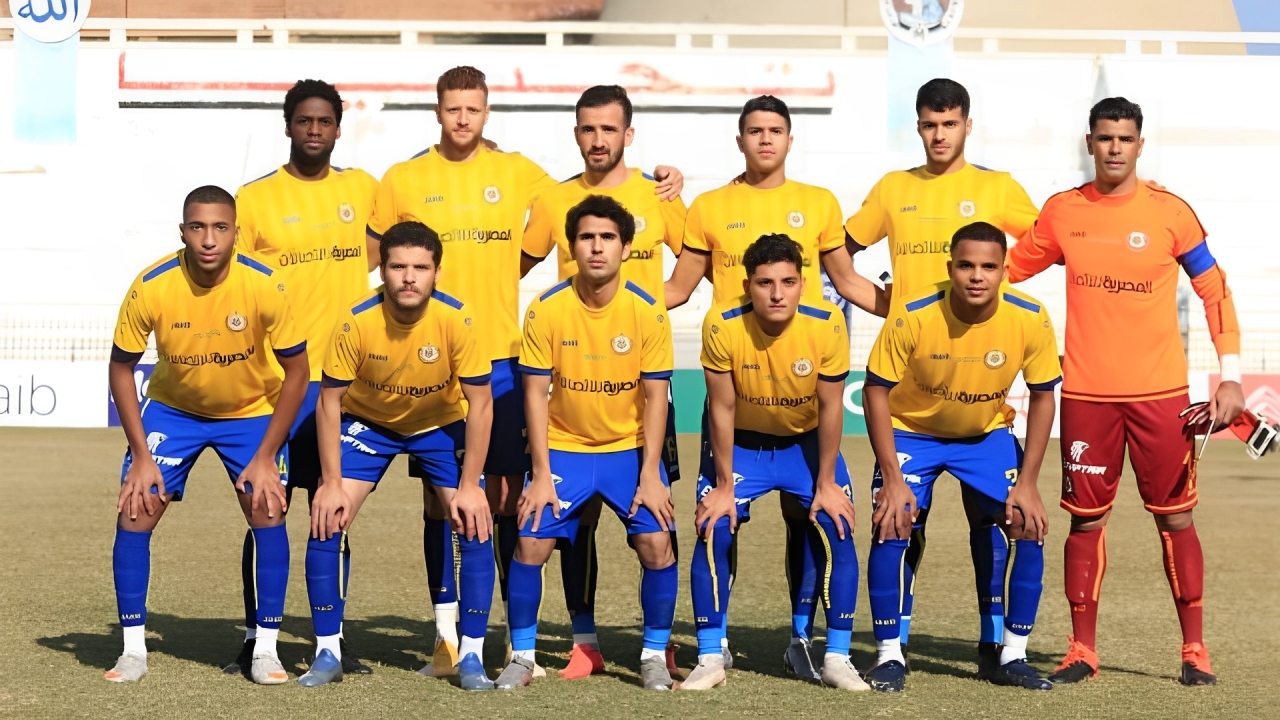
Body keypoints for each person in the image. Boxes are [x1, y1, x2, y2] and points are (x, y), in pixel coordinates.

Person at [367, 66, 683, 677]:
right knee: (442, 500)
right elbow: (395, 262)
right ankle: (449, 637)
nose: (463, 119)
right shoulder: (408, 178)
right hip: (436, 362)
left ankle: (531, 642)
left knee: (513, 500)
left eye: (473, 109)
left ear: (487, 112)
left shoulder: (524, 175)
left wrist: (665, 183)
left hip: (509, 362)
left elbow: (663, 243)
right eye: (453, 108)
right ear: (438, 111)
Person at [1004, 97, 1245, 686]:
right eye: (1105, 137)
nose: (1115, 148)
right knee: (1086, 524)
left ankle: (1195, 650)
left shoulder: (1171, 213)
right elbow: (1001, 274)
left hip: (1161, 398)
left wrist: (1232, 373)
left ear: (1140, 144)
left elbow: (1214, 289)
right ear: (1090, 143)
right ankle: (1081, 651)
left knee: (1177, 519)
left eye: (1125, 138)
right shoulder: (1063, 212)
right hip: (1087, 398)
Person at [664, 94, 878, 678]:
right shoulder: (710, 206)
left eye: (775, 130)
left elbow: (847, 282)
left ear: (789, 139)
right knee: (718, 521)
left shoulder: (818, 203)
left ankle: (805, 640)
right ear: (739, 140)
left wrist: (917, 311)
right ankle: (715, 647)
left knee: (812, 521)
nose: (765, 139)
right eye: (754, 130)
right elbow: (677, 289)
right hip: (736, 388)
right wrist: (612, 305)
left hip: (798, 396)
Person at [844, 78, 1042, 672]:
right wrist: (885, 306)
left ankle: (995, 642)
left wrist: (1000, 300)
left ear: (967, 126)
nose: (939, 135)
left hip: (980, 398)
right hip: (909, 392)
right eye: (930, 124)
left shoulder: (997, 188)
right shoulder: (893, 188)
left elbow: (1048, 242)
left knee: (995, 523)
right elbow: (839, 253)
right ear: (918, 126)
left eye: (949, 123)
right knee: (901, 520)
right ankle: (894, 644)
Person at [105, 185, 309, 684]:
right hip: (174, 412)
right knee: (136, 509)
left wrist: (267, 455)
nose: (209, 239)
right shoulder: (151, 285)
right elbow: (120, 367)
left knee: (268, 508)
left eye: (220, 227)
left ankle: (266, 650)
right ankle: (132, 651)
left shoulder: (265, 283)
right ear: (183, 232)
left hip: (251, 412)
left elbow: (298, 373)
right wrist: (141, 455)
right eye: (198, 227)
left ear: (236, 232)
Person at [520, 84, 687, 678]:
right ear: (576, 134)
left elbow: (696, 261)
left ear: (628, 134)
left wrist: (649, 308)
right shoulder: (552, 200)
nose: (598, 139)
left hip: (636, 384)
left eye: (609, 129)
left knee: (657, 515)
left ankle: (660, 643)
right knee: (575, 525)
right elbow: (513, 266)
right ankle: (584, 641)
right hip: (572, 387)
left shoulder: (659, 193)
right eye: (588, 129)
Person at [861, 221, 1060, 692]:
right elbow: (874, 390)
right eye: (966, 265)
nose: (976, 276)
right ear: (950, 267)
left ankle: (1010, 654)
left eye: (988, 267)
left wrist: (1029, 484)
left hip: (984, 436)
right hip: (912, 433)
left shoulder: (1030, 316)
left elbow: (1044, 395)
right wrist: (892, 478)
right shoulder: (912, 313)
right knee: (893, 522)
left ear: (1004, 271)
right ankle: (890, 655)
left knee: (1027, 524)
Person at [297, 222, 497, 690]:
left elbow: (481, 403)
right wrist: (330, 482)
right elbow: (329, 402)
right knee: (327, 517)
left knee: (473, 521)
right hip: (371, 425)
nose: (409, 277)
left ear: (437, 272)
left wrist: (471, 485)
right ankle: (328, 650)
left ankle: (470, 656)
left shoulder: (459, 319)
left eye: (420, 268)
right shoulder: (355, 321)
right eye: (398, 266)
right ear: (382, 270)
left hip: (438, 425)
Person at [495, 195, 679, 691]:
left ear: (626, 247)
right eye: (587, 238)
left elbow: (657, 398)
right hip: (565, 448)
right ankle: (523, 657)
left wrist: (651, 474)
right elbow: (534, 395)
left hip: (627, 450)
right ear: (572, 247)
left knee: (656, 543)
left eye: (608, 238)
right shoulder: (546, 308)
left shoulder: (647, 311)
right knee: (531, 539)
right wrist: (539, 473)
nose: (597, 247)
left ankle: (654, 656)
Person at [230, 78, 377, 677]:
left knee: (331, 512)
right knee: (266, 512)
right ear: (288, 125)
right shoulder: (253, 198)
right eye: (304, 120)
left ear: (338, 127)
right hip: (277, 384)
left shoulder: (363, 189)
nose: (314, 130)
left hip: (340, 386)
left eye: (324, 121)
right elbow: (237, 283)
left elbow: (390, 248)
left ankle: (329, 639)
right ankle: (256, 636)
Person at [683, 234, 865, 691]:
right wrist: (724, 486)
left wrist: (827, 482)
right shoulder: (722, 323)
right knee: (713, 526)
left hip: (804, 445)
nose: (777, 293)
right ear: (748, 286)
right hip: (742, 445)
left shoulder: (827, 323)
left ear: (802, 283)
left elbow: (831, 407)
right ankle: (710, 654)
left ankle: (836, 656)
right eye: (765, 283)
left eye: (787, 282)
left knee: (838, 524)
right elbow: (721, 407)